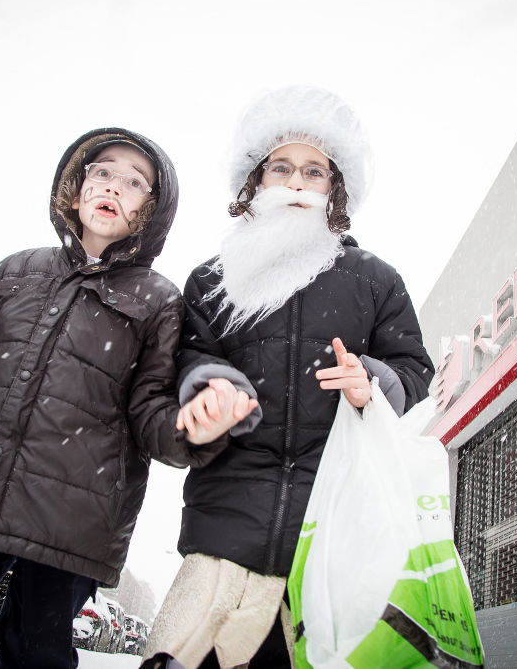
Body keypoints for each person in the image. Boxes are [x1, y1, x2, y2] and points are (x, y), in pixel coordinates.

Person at [0, 128, 255, 669]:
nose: (114, 186)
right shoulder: (19, 269)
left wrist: (193, 427)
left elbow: (149, 409)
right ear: (75, 191)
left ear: (150, 212)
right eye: (103, 173)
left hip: (76, 518)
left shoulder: (157, 300)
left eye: (135, 182)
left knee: (37, 653)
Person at [143, 87, 435, 668]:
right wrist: (210, 390)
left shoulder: (376, 280)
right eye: (281, 168)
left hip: (332, 535)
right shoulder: (212, 279)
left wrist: (371, 384)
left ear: (335, 188)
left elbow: (414, 373)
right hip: (225, 529)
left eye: (313, 171)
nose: (297, 182)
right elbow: (191, 356)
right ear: (255, 181)